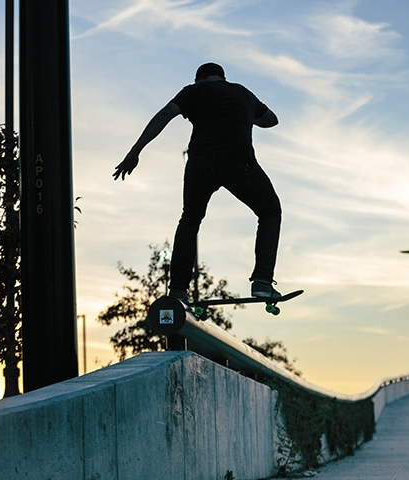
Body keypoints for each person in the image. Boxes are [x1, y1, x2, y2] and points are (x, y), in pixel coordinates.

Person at [113, 62, 282, 304]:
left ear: (198, 79)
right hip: (239, 164)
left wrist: (135, 151)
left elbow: (164, 115)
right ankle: (263, 281)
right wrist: (244, 113)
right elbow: (271, 120)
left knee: (190, 219)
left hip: (201, 164)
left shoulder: (193, 91)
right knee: (270, 211)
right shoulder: (243, 92)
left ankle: (179, 289)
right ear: (222, 78)